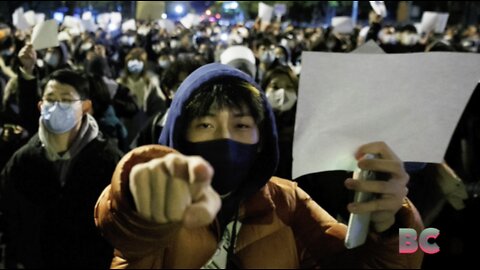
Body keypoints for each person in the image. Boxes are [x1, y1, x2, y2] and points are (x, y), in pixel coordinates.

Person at [95, 63, 423, 268]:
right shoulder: (160, 206)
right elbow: (124, 225)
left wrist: (392, 228)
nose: (225, 139)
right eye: (206, 126)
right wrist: (140, 198)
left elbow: (368, 263)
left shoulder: (288, 202)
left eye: (241, 126)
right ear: (179, 135)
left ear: (261, 139)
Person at [0, 69, 123, 268]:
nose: (56, 106)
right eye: (50, 99)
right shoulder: (23, 160)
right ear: (41, 106)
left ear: (85, 107)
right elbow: (7, 218)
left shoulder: (108, 161)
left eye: (66, 100)